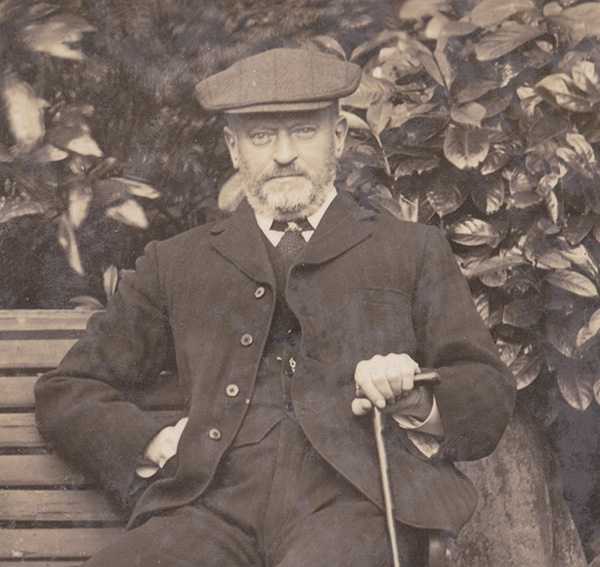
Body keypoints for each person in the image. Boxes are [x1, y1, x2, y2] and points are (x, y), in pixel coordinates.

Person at [35, 47, 516, 567]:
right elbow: (69, 388)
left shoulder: (410, 249)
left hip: (355, 504)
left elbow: (486, 388)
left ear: (337, 136)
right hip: (207, 509)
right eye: (262, 136)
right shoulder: (176, 262)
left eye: (303, 131)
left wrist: (416, 396)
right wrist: (149, 442)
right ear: (234, 147)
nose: (283, 154)